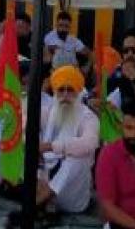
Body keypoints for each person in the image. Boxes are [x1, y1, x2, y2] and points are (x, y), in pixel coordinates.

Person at [36, 65, 99, 214]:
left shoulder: (88, 116)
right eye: (60, 90)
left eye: (70, 90)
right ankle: (40, 197)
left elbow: (90, 143)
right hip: (43, 181)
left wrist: (51, 146)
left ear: (78, 92)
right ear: (55, 92)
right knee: (31, 140)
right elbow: (26, 124)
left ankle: (41, 199)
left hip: (72, 197)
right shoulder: (48, 111)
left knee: (79, 157)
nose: (65, 95)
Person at [95, 100, 135, 229]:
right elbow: (107, 206)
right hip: (123, 224)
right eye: (128, 128)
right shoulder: (109, 155)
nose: (133, 135)